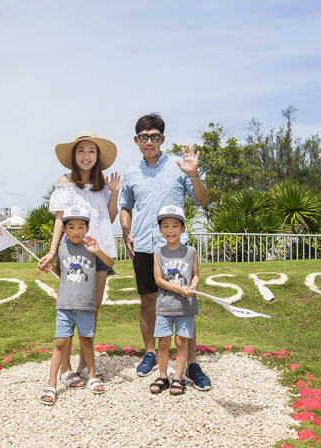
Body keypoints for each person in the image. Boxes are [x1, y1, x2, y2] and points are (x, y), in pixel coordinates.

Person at [119, 112, 212, 391]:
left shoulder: (178, 165)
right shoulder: (131, 172)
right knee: (148, 302)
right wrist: (126, 232)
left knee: (185, 304)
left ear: (163, 139)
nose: (149, 142)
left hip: (175, 248)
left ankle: (192, 363)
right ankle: (150, 353)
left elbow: (202, 198)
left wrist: (193, 175)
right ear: (136, 140)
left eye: (155, 137)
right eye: (144, 137)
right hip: (145, 246)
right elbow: (125, 206)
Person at [38, 130, 121, 388]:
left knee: (91, 310)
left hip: (100, 250)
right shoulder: (65, 181)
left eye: (92, 151)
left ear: (98, 156)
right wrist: (52, 252)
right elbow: (59, 219)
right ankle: (65, 368)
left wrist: (115, 192)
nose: (87, 156)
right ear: (74, 155)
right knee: (70, 307)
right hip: (73, 252)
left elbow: (109, 217)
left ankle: (86, 366)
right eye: (81, 151)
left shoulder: (102, 184)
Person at [39, 205, 114, 405]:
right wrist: (47, 265)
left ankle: (91, 376)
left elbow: (111, 262)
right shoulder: (61, 250)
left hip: (86, 306)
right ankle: (52, 383)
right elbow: (57, 270)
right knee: (60, 343)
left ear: (87, 228)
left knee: (87, 342)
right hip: (65, 305)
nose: (76, 231)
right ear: (64, 229)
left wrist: (98, 251)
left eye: (81, 227)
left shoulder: (91, 248)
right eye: (71, 227)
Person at [149, 206, 200, 396]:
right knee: (163, 342)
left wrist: (192, 287)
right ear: (161, 230)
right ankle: (163, 376)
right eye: (166, 226)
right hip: (165, 306)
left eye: (175, 226)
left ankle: (178, 378)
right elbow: (158, 280)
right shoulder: (158, 252)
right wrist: (179, 288)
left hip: (185, 307)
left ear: (183, 228)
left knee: (181, 342)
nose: (170, 230)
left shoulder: (191, 251)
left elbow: (196, 276)